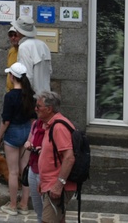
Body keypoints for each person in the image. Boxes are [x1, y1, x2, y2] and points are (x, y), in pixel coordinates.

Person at [0, 62, 37, 215]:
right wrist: (32, 136)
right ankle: (24, 204)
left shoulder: (10, 96)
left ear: (12, 76)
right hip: (27, 131)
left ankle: (13, 205)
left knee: (13, 172)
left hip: (13, 132)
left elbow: (6, 121)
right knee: (25, 170)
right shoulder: (30, 95)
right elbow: (34, 119)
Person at [35, 91, 78, 223]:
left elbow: (69, 158)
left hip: (56, 185)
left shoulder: (59, 127)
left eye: (38, 106)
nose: (35, 109)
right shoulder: (52, 124)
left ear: (49, 109)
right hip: (50, 183)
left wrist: (59, 185)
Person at [10, 18, 53, 96]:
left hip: (32, 96)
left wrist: (26, 96)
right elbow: (49, 71)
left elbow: (27, 75)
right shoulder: (43, 45)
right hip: (46, 94)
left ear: (19, 32)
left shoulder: (24, 47)